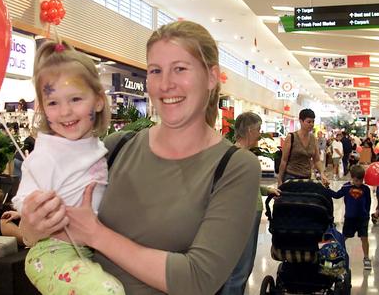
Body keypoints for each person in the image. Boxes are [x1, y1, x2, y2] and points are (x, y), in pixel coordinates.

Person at [19, 21, 260, 294]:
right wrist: (33, 225)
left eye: (180, 69)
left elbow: (198, 279)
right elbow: (33, 236)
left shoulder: (235, 167)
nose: (166, 84)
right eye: (156, 71)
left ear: (212, 76)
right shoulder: (115, 148)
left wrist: (95, 234)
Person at [12, 40, 124, 294]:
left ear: (98, 101)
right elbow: (22, 200)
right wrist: (40, 211)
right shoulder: (49, 151)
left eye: (75, 99)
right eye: (53, 103)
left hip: (84, 251)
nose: (65, 112)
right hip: (52, 252)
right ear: (42, 108)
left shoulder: (97, 146)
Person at [220, 112, 280, 295]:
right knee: (241, 268)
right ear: (249, 130)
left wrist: (266, 190)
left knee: (237, 266)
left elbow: (246, 185)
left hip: (241, 215)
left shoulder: (232, 154)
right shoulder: (245, 158)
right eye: (259, 129)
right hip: (245, 215)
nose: (260, 134)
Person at [325, 165, 372, 270]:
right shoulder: (346, 187)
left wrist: (367, 214)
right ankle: (335, 254)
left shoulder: (366, 189)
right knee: (343, 237)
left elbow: (368, 203)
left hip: (362, 218)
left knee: (364, 238)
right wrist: (327, 189)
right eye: (356, 180)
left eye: (361, 180)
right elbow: (336, 195)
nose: (359, 183)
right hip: (350, 218)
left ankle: (366, 258)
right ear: (352, 177)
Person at [277, 109, 324, 185]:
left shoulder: (313, 139)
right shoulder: (291, 137)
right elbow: (284, 160)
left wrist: (322, 174)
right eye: (309, 122)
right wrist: (279, 180)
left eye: (313, 122)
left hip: (306, 176)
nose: (311, 124)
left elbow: (317, 160)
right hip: (290, 176)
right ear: (301, 121)